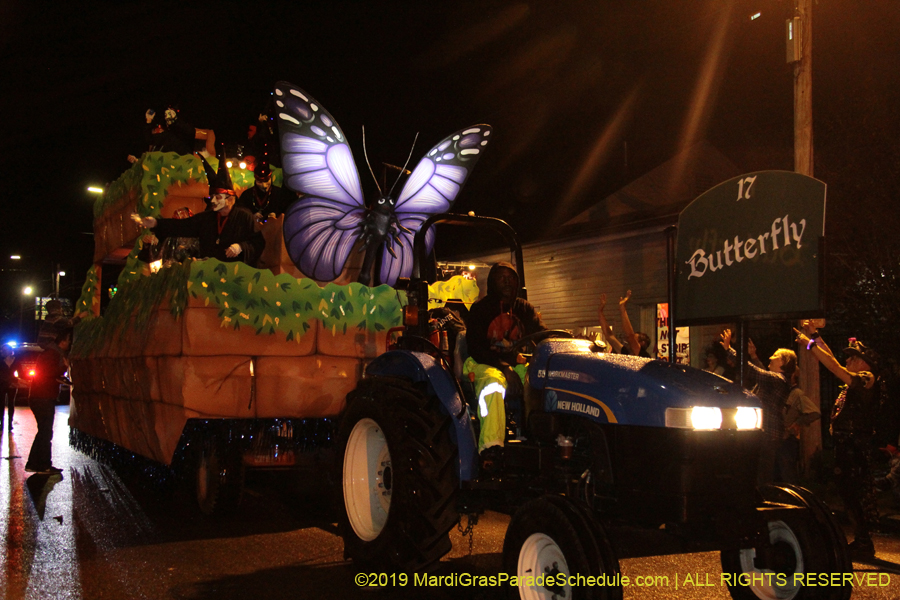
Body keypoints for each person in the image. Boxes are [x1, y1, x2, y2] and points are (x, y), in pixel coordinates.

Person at [795, 323, 881, 558]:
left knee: (853, 492)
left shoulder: (867, 377)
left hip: (856, 446)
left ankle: (864, 542)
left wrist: (810, 345)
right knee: (847, 491)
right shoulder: (857, 376)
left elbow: (833, 366)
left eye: (854, 357)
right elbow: (833, 360)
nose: (849, 361)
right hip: (847, 445)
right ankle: (862, 540)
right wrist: (815, 335)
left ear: (864, 362)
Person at [464, 262, 545, 460]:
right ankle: (491, 449)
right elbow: (476, 348)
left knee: (540, 380)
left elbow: (542, 335)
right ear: (492, 282)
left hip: (516, 363)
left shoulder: (525, 309)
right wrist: (504, 368)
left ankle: (538, 440)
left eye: (511, 278)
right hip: (481, 363)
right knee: (493, 384)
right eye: (502, 277)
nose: (507, 281)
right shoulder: (480, 309)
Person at [131, 152, 265, 266]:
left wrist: (241, 246)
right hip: (207, 273)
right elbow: (182, 226)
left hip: (234, 274)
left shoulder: (244, 216)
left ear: (230, 199)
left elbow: (258, 242)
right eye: (212, 196)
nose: (213, 200)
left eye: (217, 197)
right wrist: (156, 223)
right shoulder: (207, 218)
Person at [720, 329, 796, 485]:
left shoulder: (778, 379)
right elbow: (761, 371)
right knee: (761, 471)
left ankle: (762, 500)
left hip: (768, 432)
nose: (771, 357)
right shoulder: (778, 380)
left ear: (783, 362)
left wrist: (729, 350)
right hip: (768, 432)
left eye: (775, 356)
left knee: (761, 473)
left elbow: (755, 373)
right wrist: (753, 356)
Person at [25, 328, 71, 474]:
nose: (69, 343)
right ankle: (43, 465)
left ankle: (34, 463)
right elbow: (50, 372)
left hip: (40, 396)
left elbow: (48, 375)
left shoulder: (49, 353)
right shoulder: (52, 354)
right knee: (45, 432)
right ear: (62, 341)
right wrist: (65, 366)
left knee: (43, 432)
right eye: (69, 340)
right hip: (43, 397)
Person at [776, 370, 821, 484]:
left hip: (787, 440)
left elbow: (814, 412)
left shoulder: (796, 393)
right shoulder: (780, 392)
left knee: (787, 473)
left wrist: (797, 423)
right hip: (776, 438)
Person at [236, 151, 295, 221]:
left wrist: (278, 216)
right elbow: (239, 214)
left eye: (266, 181)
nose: (264, 185)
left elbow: (289, 212)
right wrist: (250, 217)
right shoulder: (246, 195)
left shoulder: (280, 194)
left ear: (270, 178)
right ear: (255, 180)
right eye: (260, 182)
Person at [618, 290, 651, 357]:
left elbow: (630, 335)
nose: (628, 341)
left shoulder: (644, 356)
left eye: (635, 340)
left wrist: (623, 310)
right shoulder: (626, 353)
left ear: (642, 343)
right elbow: (609, 336)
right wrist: (600, 311)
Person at [1, 344, 20, 429]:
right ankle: (1, 423)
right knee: (1, 404)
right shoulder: (1, 360)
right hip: (1, 384)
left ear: (10, 351)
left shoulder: (16, 360)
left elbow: (21, 372)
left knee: (11, 404)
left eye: (6, 350)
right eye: (3, 350)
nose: (4, 351)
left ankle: (10, 424)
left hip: (12, 385)